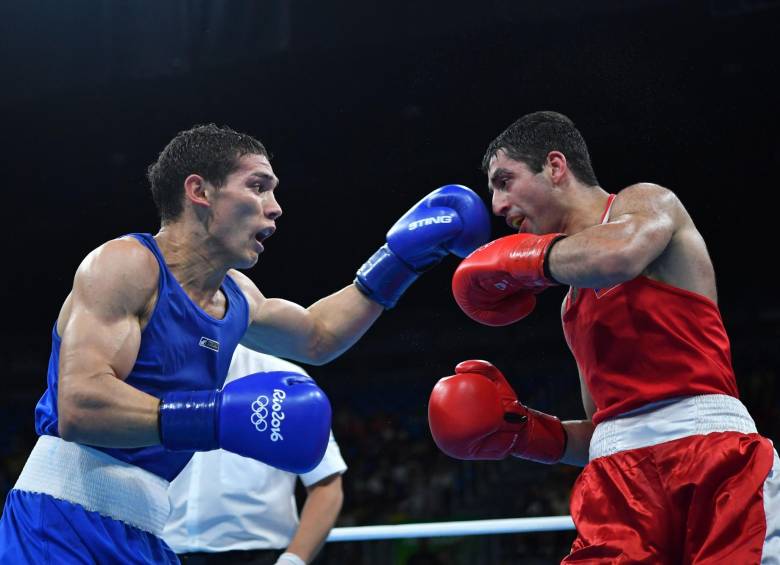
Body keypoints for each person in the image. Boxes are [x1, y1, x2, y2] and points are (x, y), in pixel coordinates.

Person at [0, 123, 490, 563]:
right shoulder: (125, 265)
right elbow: (81, 406)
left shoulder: (235, 298)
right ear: (200, 191)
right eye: (257, 186)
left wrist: (398, 260)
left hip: (145, 530)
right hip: (59, 521)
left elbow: (318, 336)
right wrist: (220, 418)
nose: (274, 208)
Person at [427, 111, 780, 562]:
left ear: (555, 167)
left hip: (712, 461)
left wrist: (519, 258)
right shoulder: (571, 304)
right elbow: (604, 431)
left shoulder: (646, 203)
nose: (496, 205)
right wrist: (523, 433)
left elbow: (622, 252)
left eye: (505, 180)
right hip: (618, 483)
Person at [163, 344, 347, 565]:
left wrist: (293, 560)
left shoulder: (285, 379)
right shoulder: (152, 375)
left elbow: (326, 484)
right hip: (162, 553)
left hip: (259, 556)